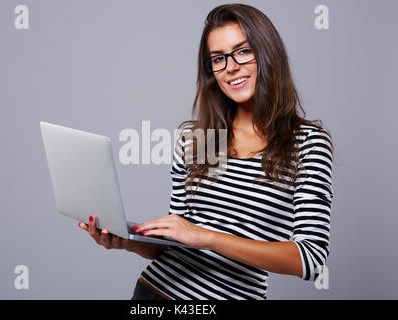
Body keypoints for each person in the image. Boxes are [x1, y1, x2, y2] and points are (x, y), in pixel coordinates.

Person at [78, 3, 334, 300]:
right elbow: (179, 240)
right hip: (153, 293)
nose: (231, 67)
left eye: (243, 51)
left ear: (267, 53)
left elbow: (311, 260)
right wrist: (128, 242)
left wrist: (208, 237)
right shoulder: (198, 140)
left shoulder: (306, 144)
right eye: (218, 58)